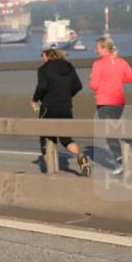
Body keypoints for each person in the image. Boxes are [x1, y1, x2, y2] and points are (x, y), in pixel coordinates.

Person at [31, 48, 91, 176]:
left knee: (45, 137)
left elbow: (42, 87)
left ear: (47, 56)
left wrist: (35, 99)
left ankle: (51, 172)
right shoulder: (69, 67)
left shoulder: (44, 69)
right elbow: (78, 86)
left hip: (48, 107)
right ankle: (80, 156)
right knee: (65, 138)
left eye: (43, 56)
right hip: (66, 107)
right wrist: (67, 95)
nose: (42, 58)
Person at [89, 36, 132, 176]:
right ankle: (129, 149)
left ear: (104, 48)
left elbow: (94, 85)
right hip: (119, 101)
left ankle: (120, 160)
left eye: (97, 47)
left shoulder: (97, 65)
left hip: (105, 101)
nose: (95, 50)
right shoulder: (121, 61)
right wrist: (116, 79)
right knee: (116, 128)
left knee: (109, 132)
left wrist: (93, 78)